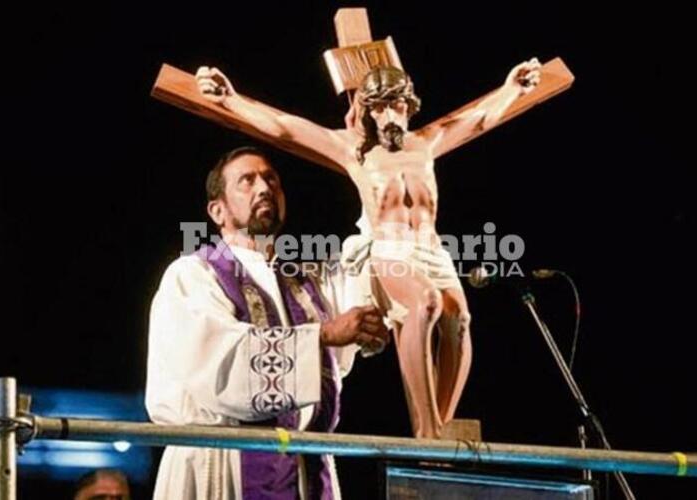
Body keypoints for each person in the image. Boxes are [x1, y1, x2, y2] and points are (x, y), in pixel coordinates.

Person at [195, 59, 541, 437]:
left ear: (409, 106)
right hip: (390, 251)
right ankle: (426, 430)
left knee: (458, 320)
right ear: (368, 111)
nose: (389, 114)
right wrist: (232, 99)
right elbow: (285, 128)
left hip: (432, 249)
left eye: (396, 105)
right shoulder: (354, 150)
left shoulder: (427, 142)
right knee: (426, 304)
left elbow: (478, 119)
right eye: (379, 106)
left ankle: (440, 424)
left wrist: (513, 89)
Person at [145, 147, 389, 499]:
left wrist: (373, 160)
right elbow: (221, 363)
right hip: (221, 463)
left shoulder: (306, 283)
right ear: (218, 210)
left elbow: (366, 263)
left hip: (306, 467)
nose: (264, 188)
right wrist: (322, 335)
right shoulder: (193, 275)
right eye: (248, 180)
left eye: (271, 179)